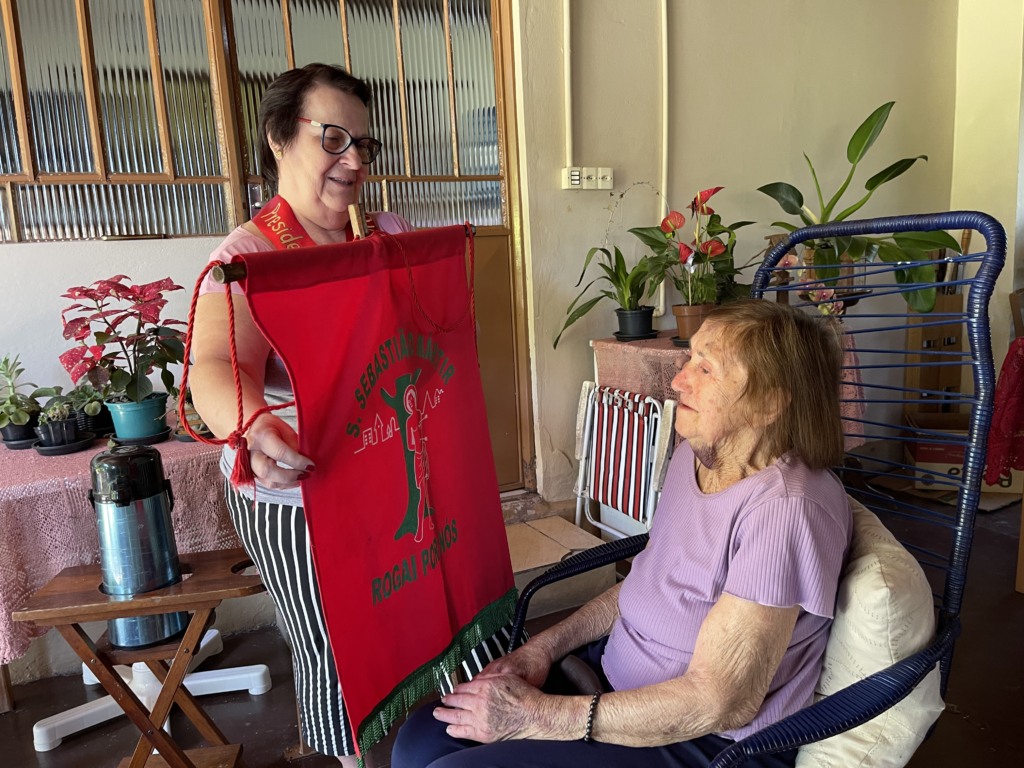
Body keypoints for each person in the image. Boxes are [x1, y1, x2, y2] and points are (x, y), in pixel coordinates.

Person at [190, 63, 504, 766]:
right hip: (302, 489)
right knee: (341, 642)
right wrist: (250, 425)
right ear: (279, 137)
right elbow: (214, 369)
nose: (354, 161)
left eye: (364, 145)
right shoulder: (249, 256)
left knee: (434, 609)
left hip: (396, 469)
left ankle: (458, 745)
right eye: (333, 138)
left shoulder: (384, 231)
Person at [391, 299, 853, 768]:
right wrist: (541, 649)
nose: (678, 380)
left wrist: (543, 716)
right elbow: (643, 586)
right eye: (690, 357)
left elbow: (720, 701)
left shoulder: (787, 510)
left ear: (769, 403)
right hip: (612, 688)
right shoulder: (693, 457)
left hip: (705, 744)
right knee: (421, 741)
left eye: (706, 368)